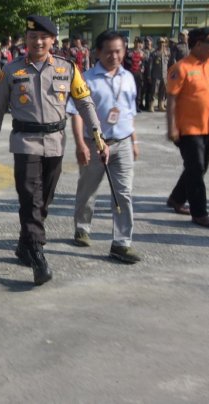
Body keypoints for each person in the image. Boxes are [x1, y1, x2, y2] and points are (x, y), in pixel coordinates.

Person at [0, 15, 108, 286]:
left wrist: (97, 133)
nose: (37, 41)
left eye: (43, 37)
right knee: (30, 198)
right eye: (32, 37)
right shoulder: (12, 71)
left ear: (52, 40)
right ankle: (38, 255)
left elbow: (85, 102)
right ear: (25, 40)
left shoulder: (67, 68)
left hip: (55, 143)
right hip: (25, 142)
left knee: (44, 200)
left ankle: (25, 244)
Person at [69, 31, 141, 263]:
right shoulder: (86, 79)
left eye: (119, 51)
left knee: (124, 193)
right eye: (109, 51)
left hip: (122, 144)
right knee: (88, 189)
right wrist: (80, 143)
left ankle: (121, 243)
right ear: (98, 52)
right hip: (95, 144)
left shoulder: (128, 78)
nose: (114, 56)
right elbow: (77, 114)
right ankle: (82, 227)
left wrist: (134, 140)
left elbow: (130, 114)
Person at [166, 27, 209, 228]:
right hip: (187, 129)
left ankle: (176, 199)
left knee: (200, 167)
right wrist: (172, 128)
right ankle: (199, 212)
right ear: (198, 44)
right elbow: (172, 101)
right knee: (196, 168)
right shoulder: (181, 68)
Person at [148, 37, 171, 112]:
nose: (162, 44)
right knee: (154, 91)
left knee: (163, 91)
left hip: (164, 76)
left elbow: (169, 64)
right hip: (156, 75)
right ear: (157, 43)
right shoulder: (154, 53)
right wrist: (149, 75)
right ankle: (151, 105)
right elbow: (150, 65)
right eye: (160, 42)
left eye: (163, 42)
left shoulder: (167, 53)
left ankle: (161, 105)